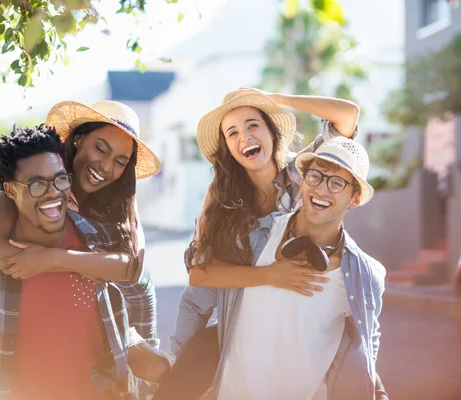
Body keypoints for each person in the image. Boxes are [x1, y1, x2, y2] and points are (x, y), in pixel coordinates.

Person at [152, 88, 386, 399]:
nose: (245, 136)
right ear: (228, 149)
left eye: (253, 125)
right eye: (232, 132)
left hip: (306, 308)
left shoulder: (304, 171)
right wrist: (181, 366)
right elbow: (200, 285)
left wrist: (270, 98)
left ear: (271, 131)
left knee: (349, 347)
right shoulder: (221, 201)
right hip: (243, 307)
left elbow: (347, 116)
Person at [0, 125, 169, 400]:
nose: (52, 193)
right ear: (11, 191)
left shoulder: (101, 241)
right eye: (37, 184)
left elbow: (138, 281)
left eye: (60, 180)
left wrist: (139, 353)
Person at [0, 100, 160, 348]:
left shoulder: (121, 195)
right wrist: (91, 264)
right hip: (85, 313)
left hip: (133, 300)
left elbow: (133, 266)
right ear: (78, 139)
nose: (106, 166)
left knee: (153, 370)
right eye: (101, 149)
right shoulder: (38, 176)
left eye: (120, 161)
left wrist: (53, 259)